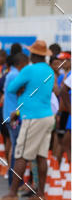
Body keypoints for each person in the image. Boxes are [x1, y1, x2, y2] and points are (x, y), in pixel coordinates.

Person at [0, 40, 55, 200]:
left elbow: (10, 88)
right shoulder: (50, 70)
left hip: (32, 116)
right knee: (41, 156)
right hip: (47, 116)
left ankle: (12, 193)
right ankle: (40, 193)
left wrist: (23, 88)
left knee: (21, 155)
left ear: (33, 55)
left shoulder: (29, 69)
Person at [2, 52, 29, 184]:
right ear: (21, 63)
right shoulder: (15, 75)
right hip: (15, 117)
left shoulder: (10, 74)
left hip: (10, 115)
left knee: (15, 147)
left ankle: (14, 179)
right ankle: (15, 181)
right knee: (17, 149)